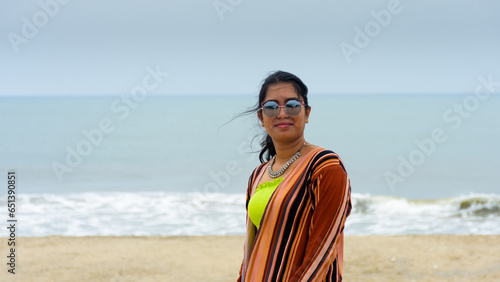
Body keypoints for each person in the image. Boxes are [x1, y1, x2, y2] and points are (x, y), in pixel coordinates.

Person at [237, 71, 352, 282]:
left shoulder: (325, 166)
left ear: (306, 113)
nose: (282, 114)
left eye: (292, 105)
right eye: (271, 107)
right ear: (261, 117)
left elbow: (322, 250)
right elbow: (250, 252)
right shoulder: (258, 175)